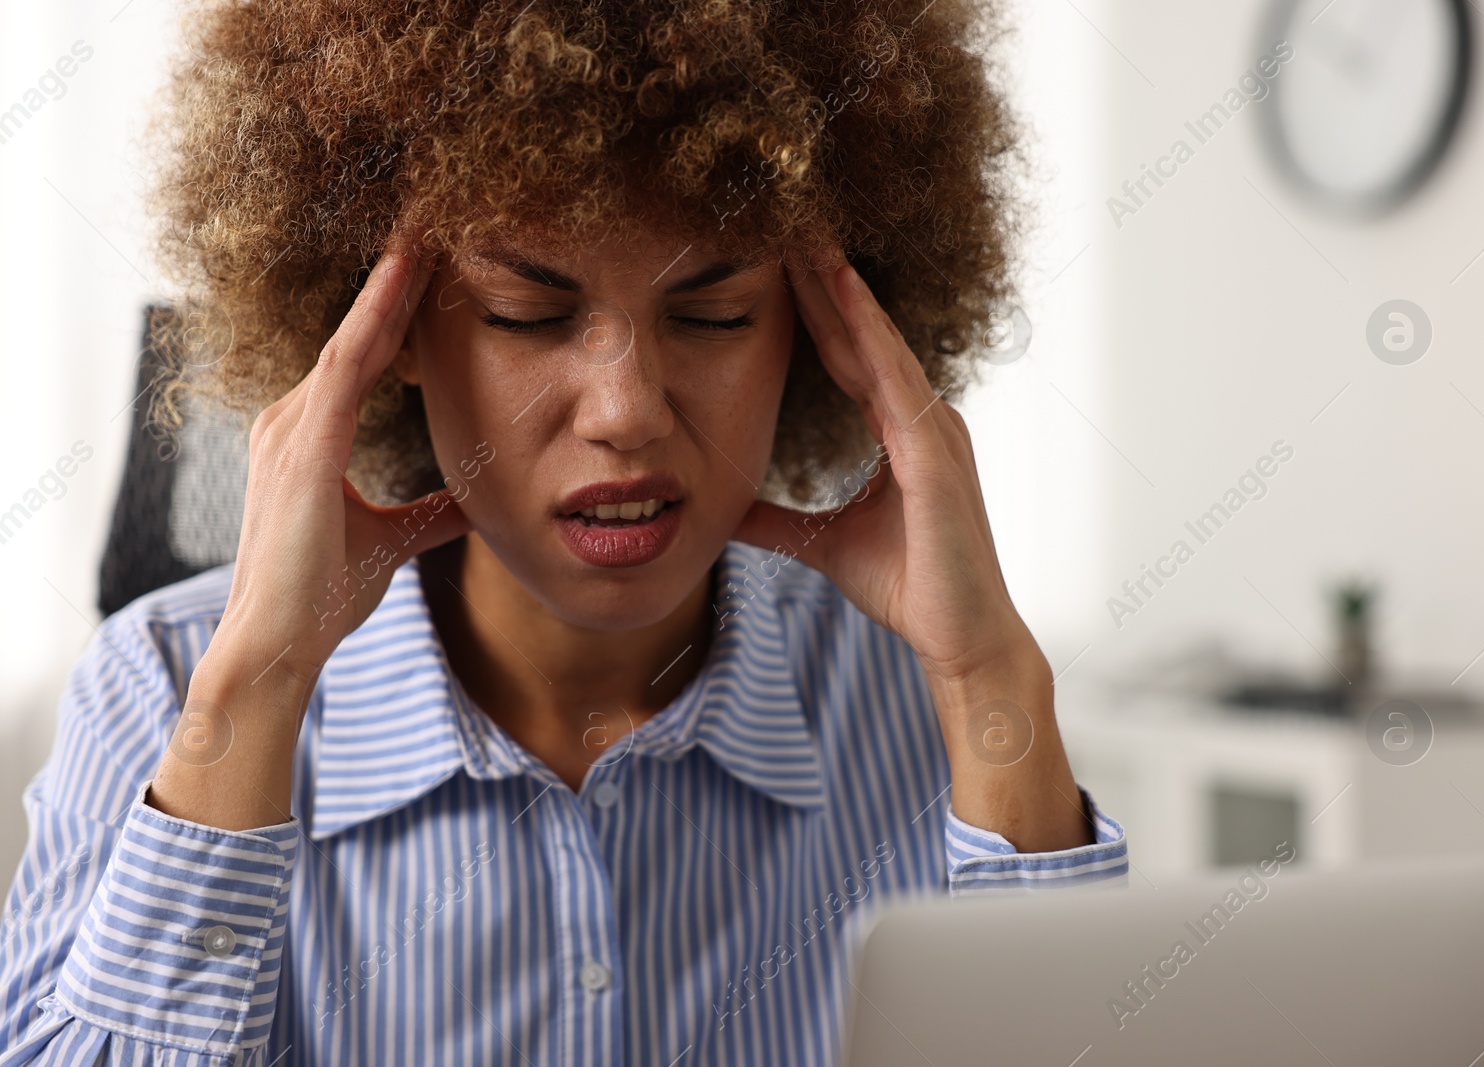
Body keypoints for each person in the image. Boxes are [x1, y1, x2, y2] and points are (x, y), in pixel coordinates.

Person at [0, 0, 1127, 1062]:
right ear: (378, 328)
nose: (627, 409)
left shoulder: (923, 703)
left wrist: (991, 679)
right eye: (528, 314)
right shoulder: (162, 688)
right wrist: (253, 692)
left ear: (826, 332)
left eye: (714, 312)